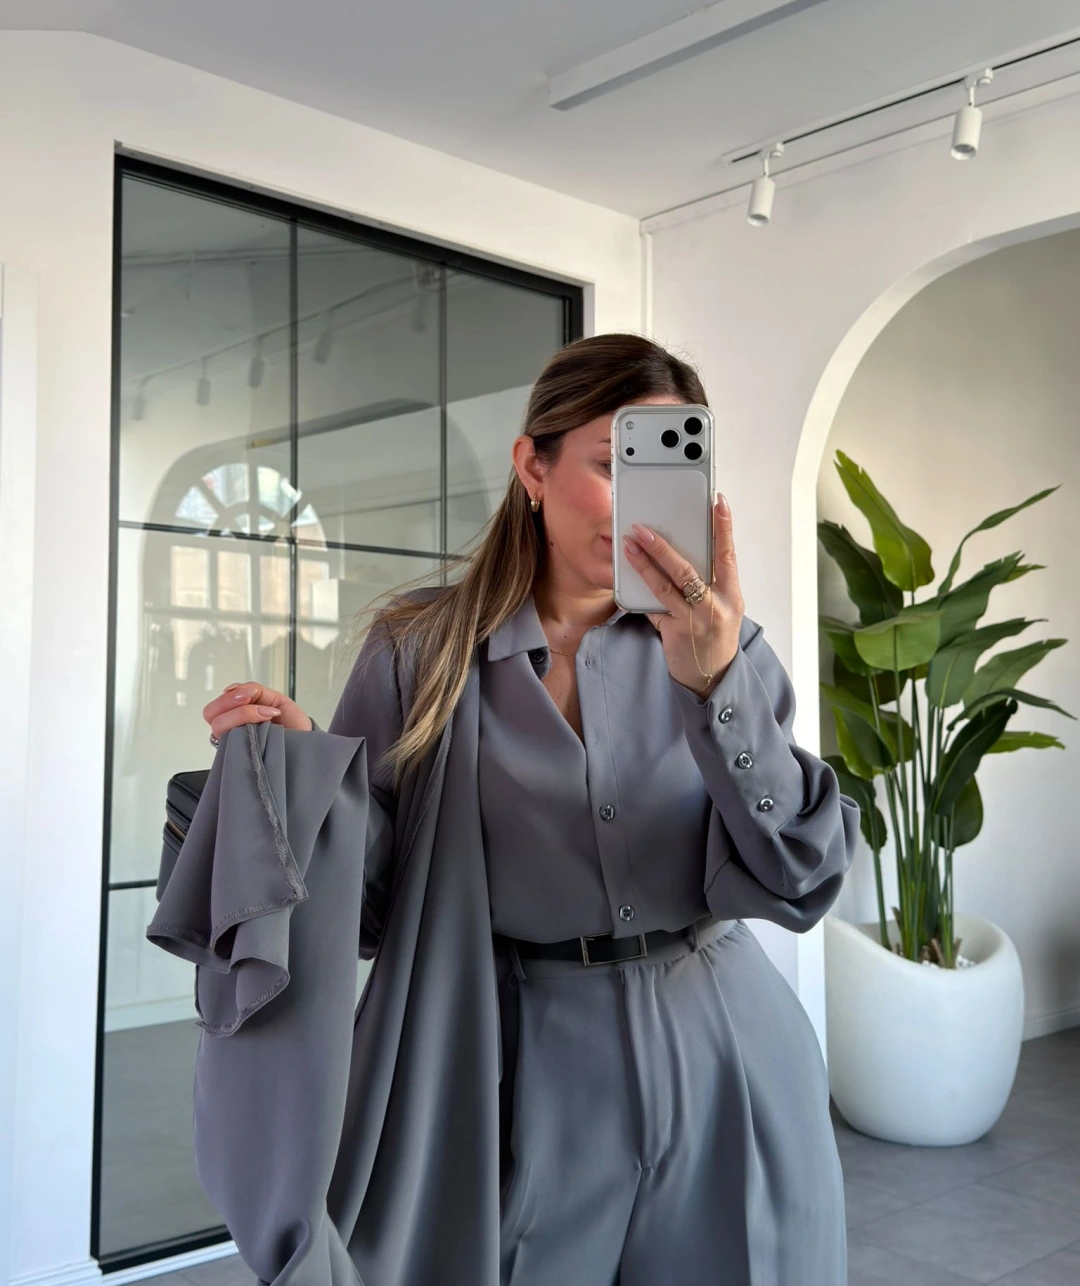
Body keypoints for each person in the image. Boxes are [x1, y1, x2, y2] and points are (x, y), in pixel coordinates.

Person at [197, 332, 860, 1285]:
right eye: (613, 465)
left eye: (672, 471)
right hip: (521, 1071)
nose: (641, 504)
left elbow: (802, 875)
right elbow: (377, 909)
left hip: (730, 1052)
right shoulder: (418, 651)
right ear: (532, 467)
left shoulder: (728, 648)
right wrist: (308, 780)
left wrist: (715, 686)